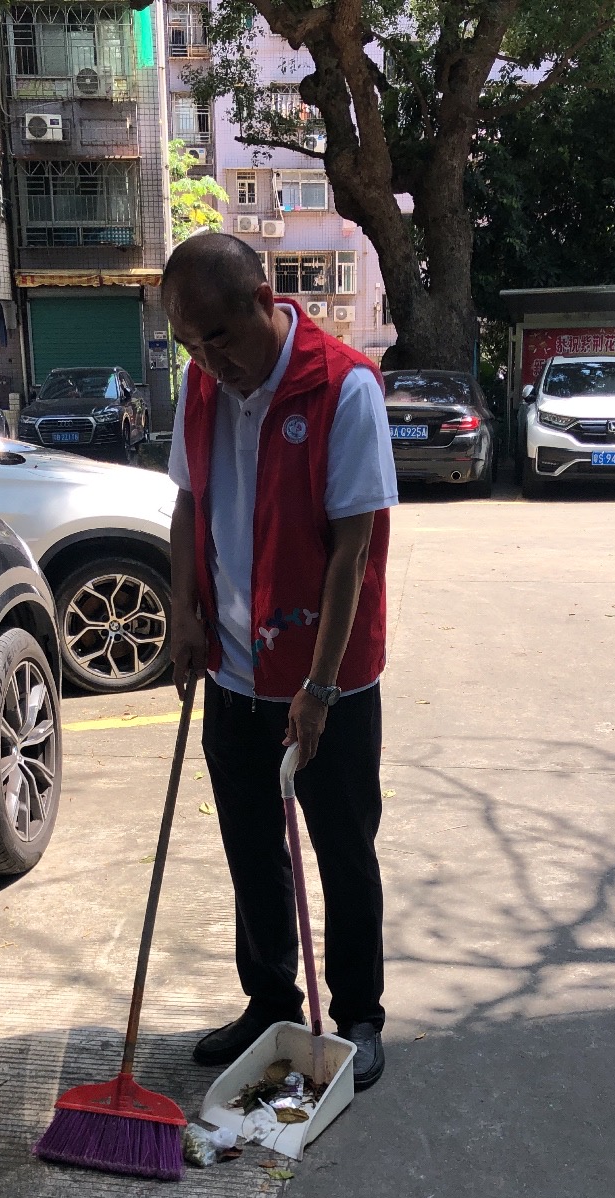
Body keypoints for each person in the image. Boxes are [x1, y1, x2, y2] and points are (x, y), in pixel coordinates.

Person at [163, 233, 397, 1088]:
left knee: (342, 847)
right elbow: (187, 503)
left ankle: (359, 1013)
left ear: (265, 301)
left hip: (328, 681)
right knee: (252, 847)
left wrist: (320, 688)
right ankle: (269, 1001)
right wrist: (183, 611)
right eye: (190, 345)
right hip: (233, 671)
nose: (208, 361)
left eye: (220, 338)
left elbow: (352, 553)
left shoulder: (343, 387)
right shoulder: (201, 385)